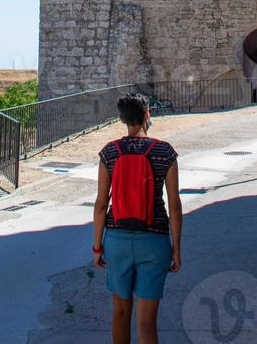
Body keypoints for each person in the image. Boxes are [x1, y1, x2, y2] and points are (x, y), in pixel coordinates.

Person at [93, 92, 182, 344]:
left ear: (122, 119)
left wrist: (97, 247)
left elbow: (101, 205)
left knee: (120, 312)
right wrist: (177, 249)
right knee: (146, 321)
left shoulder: (109, 153)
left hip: (117, 240)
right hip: (154, 242)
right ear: (147, 116)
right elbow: (174, 206)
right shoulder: (165, 152)